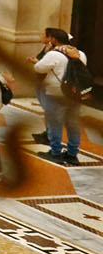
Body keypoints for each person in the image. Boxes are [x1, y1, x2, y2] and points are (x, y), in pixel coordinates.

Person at [37, 27, 89, 165]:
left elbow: (38, 68)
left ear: (53, 39)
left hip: (56, 93)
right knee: (73, 124)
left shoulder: (53, 54)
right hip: (74, 94)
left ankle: (55, 153)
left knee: (55, 123)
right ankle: (72, 154)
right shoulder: (80, 53)